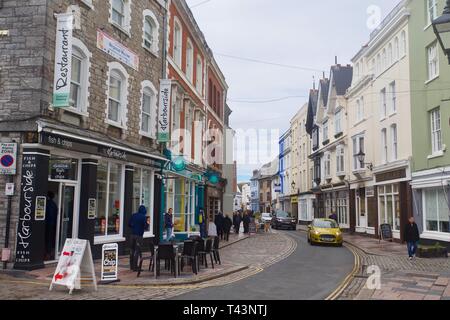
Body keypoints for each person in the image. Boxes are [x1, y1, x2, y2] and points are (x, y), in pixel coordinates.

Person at [128, 205, 149, 271]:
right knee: (137, 251)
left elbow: (129, 224)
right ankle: (135, 267)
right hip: (139, 236)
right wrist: (148, 223)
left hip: (132, 235)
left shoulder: (133, 215)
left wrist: (134, 226)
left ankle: (131, 266)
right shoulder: (143, 217)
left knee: (132, 250)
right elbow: (145, 227)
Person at [45, 191, 58, 260]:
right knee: (50, 239)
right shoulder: (54, 204)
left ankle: (48, 253)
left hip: (49, 224)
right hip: (53, 224)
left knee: (48, 239)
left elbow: (49, 214)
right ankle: (50, 253)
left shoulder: (48, 204)